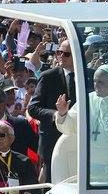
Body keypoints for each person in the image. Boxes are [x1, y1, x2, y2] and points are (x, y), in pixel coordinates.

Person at [29, 39, 76, 182]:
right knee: (52, 184)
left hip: (80, 141)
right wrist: (56, 114)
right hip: (52, 142)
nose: (61, 56)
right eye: (58, 52)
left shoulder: (90, 77)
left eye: (66, 54)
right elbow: (33, 108)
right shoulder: (48, 77)